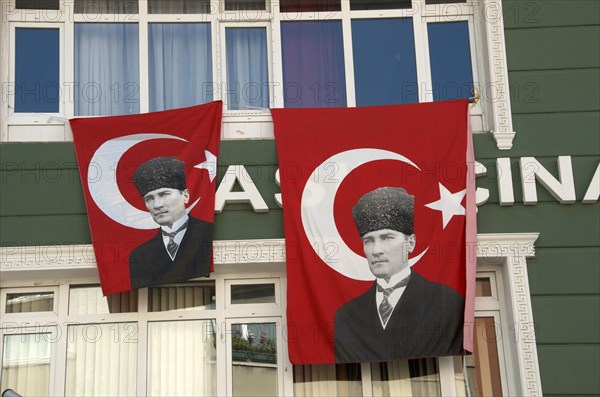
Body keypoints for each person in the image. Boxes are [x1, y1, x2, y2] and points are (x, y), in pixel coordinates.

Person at [334, 187, 464, 363]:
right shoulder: (346, 315)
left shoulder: (447, 301)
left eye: (387, 237)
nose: (376, 250)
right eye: (368, 241)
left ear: (410, 243)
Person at [129, 157, 212, 289]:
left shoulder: (209, 235)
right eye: (149, 198)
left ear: (185, 196)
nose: (157, 205)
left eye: (164, 194)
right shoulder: (140, 255)